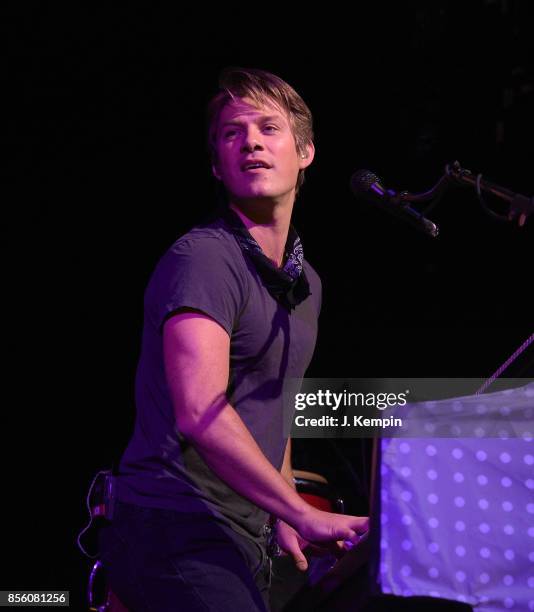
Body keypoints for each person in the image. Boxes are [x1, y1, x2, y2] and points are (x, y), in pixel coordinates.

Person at [98, 67, 368, 612]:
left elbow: (275, 402)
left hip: (238, 533)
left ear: (306, 152)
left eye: (269, 128)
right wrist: (302, 511)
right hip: (173, 521)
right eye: (231, 133)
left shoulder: (306, 282)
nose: (250, 142)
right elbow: (201, 411)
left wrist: (282, 510)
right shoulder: (203, 258)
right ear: (216, 167)